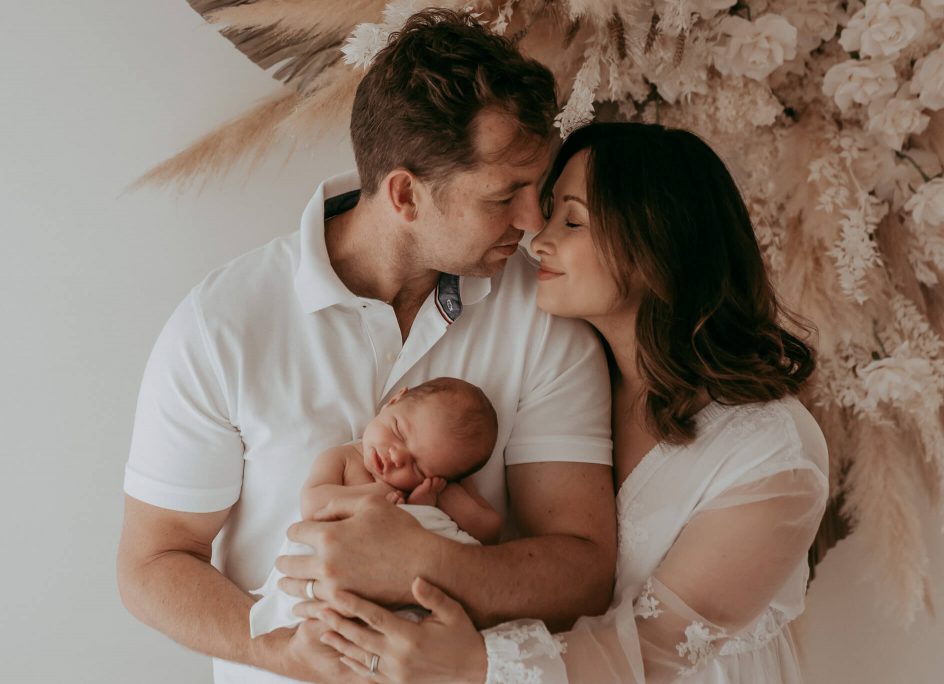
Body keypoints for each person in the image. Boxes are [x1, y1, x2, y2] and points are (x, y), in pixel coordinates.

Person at [116, 10, 617, 684]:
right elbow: (151, 564)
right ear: (406, 194)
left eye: (540, 188)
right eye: (506, 195)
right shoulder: (223, 324)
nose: (533, 223)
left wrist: (431, 563)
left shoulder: (545, 312)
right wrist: (275, 652)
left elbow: (585, 568)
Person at [307, 122, 830, 683]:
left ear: (658, 244)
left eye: (572, 220)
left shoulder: (773, 456)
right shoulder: (573, 387)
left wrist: (474, 664)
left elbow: (655, 652)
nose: (538, 240)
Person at [248, 377, 503, 645]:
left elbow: (488, 530)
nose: (396, 455)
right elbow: (313, 503)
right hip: (334, 577)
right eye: (399, 433)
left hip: (400, 598)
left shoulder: (432, 488)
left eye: (417, 466)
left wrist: (439, 495)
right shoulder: (344, 458)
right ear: (393, 401)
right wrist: (373, 494)